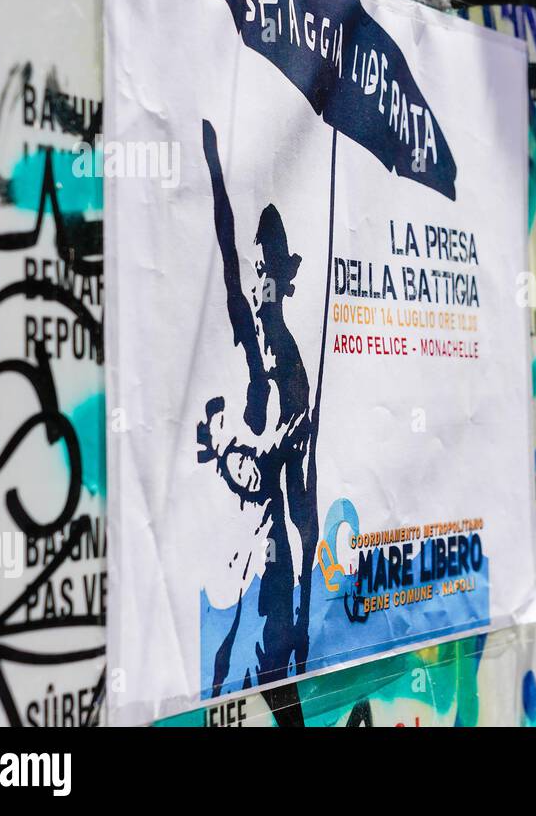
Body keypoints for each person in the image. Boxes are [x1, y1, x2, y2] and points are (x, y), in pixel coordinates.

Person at [195, 119, 318, 700]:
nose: (259, 282)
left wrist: (227, 443)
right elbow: (226, 255)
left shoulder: (289, 363)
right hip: (234, 553)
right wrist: (216, 173)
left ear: (286, 280)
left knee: (274, 686)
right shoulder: (248, 336)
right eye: (258, 271)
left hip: (273, 559)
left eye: (270, 272)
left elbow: (291, 479)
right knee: (220, 676)